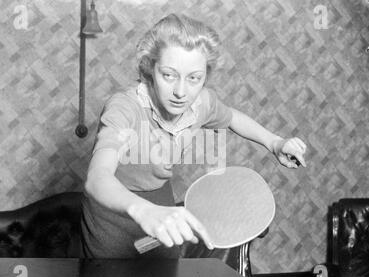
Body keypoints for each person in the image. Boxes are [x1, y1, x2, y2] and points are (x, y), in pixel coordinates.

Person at [81, 13, 307, 262]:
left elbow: (232, 118)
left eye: (194, 78)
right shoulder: (124, 107)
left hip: (160, 198)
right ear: (149, 67)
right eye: (168, 75)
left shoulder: (201, 103)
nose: (180, 91)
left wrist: (275, 142)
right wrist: (144, 211)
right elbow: (97, 178)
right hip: (112, 210)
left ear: (204, 76)